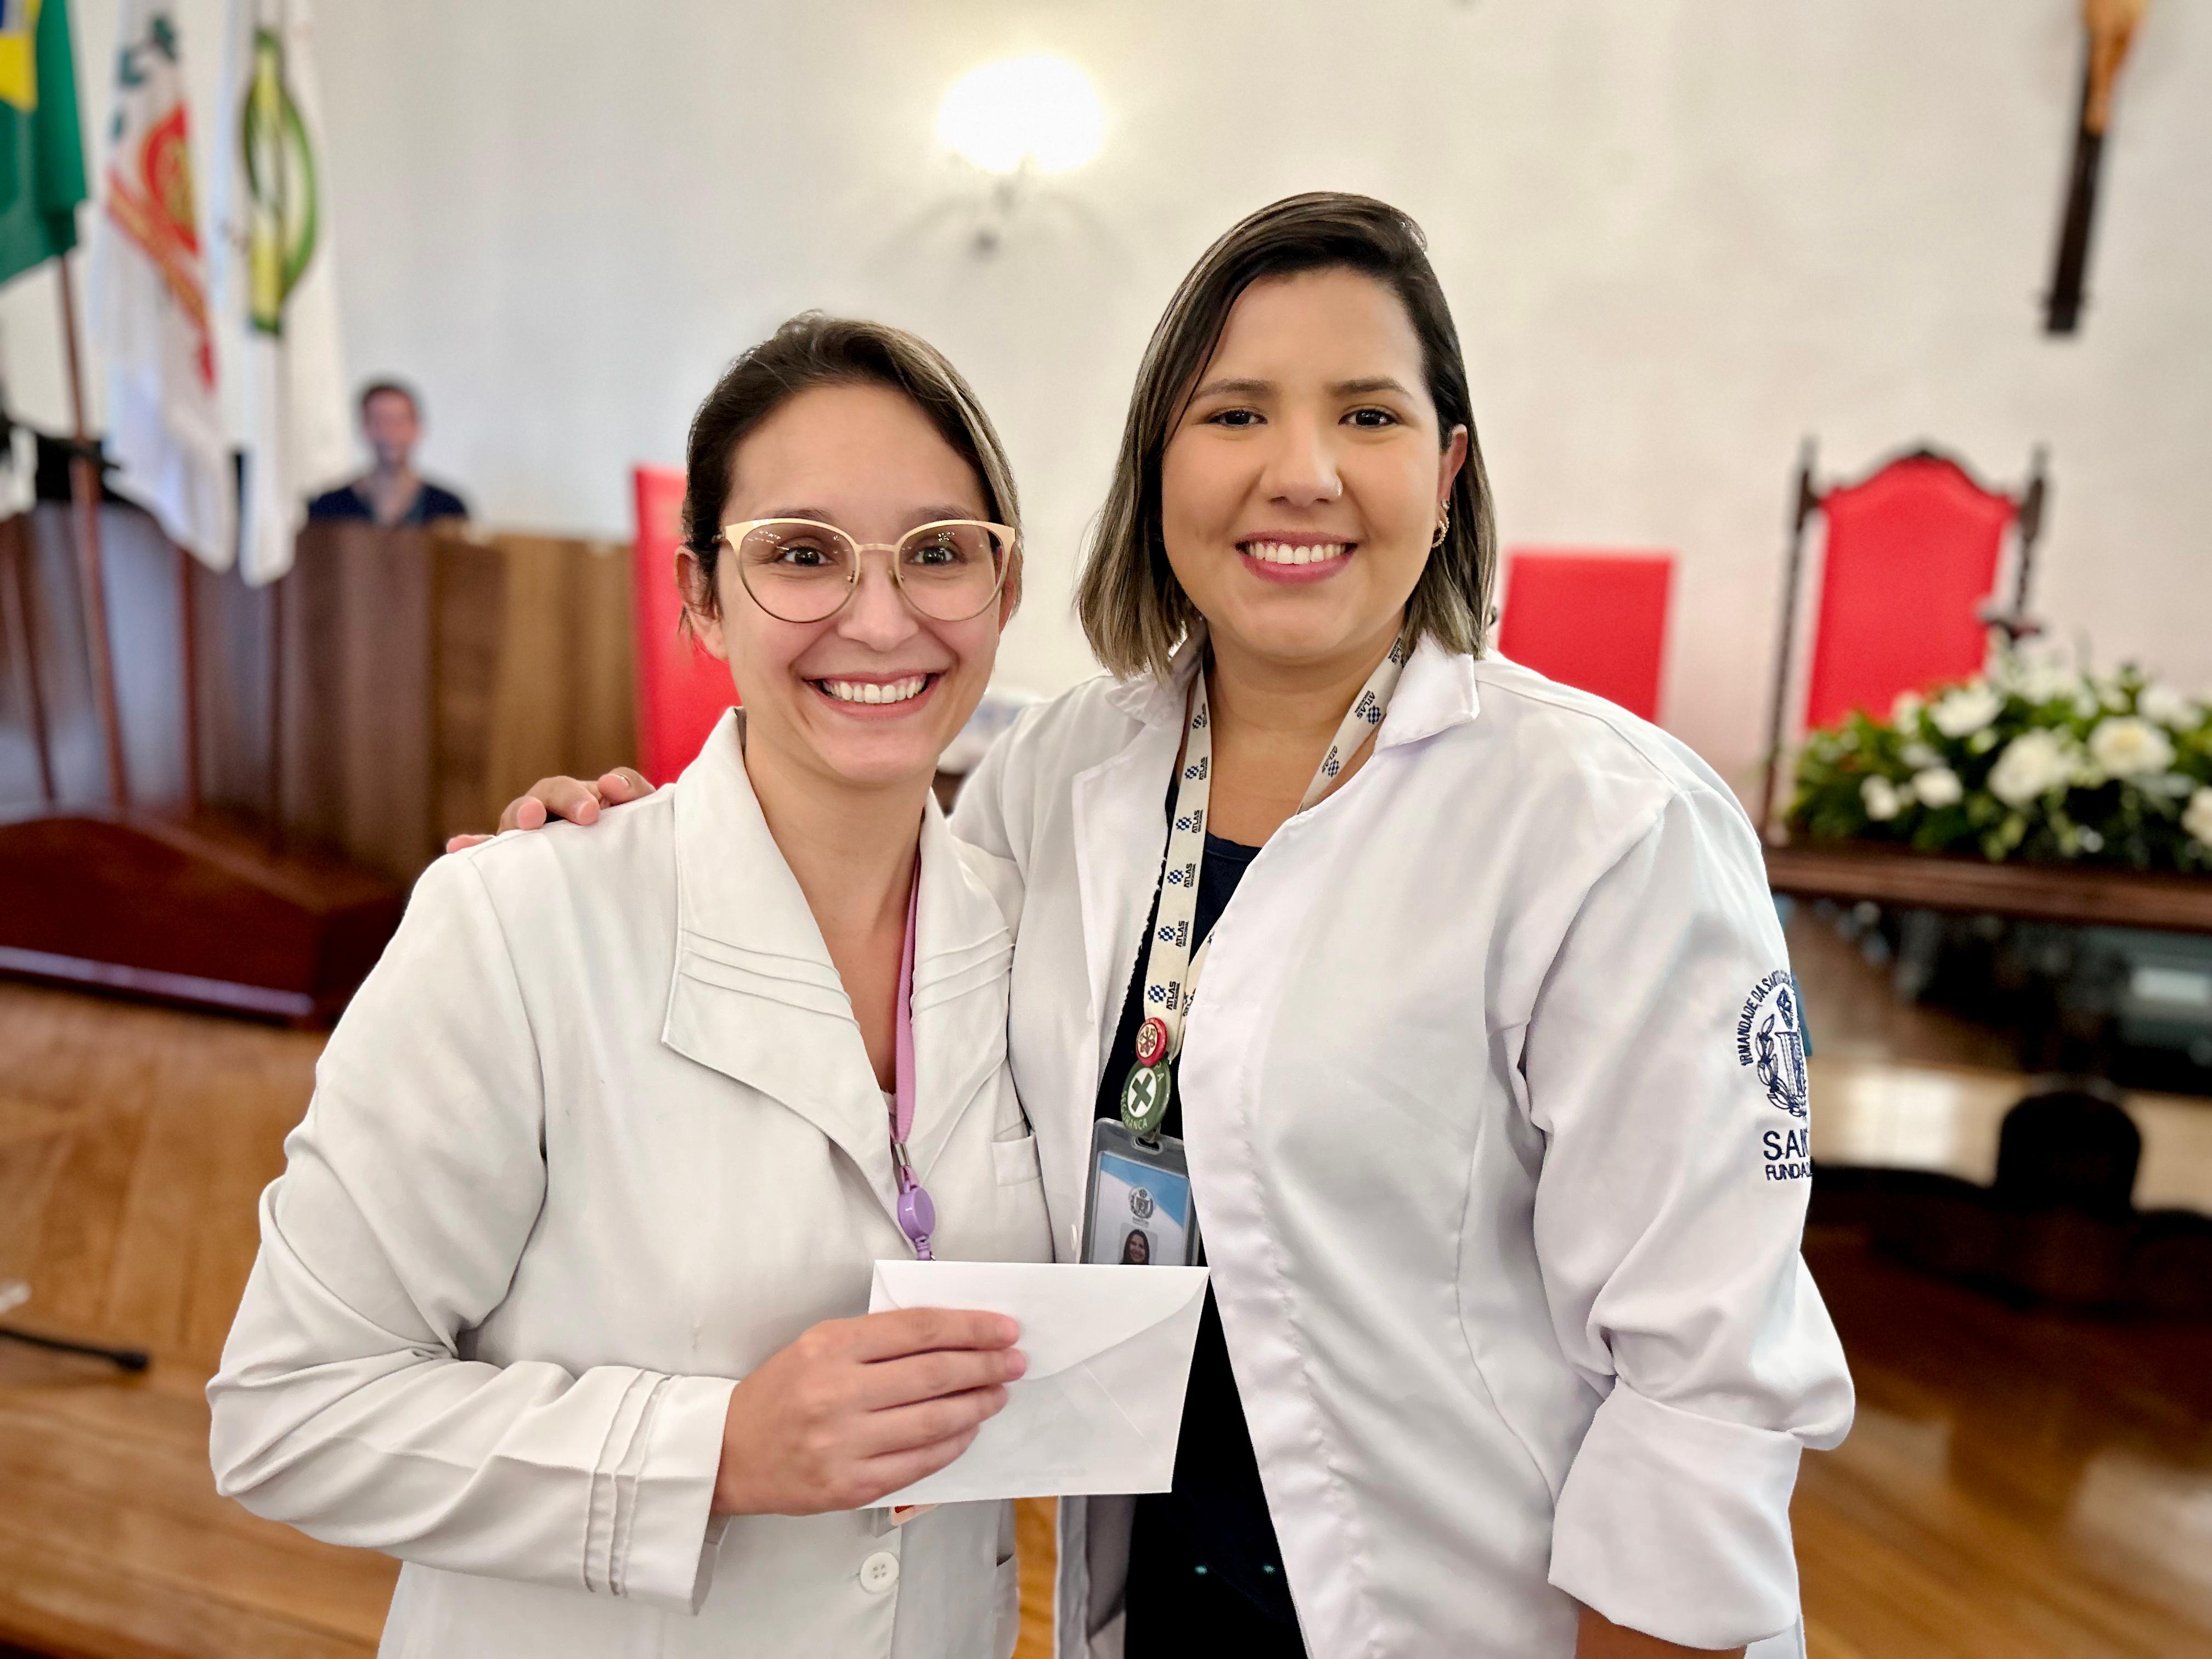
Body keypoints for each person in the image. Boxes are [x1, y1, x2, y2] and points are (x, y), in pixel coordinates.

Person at [465, 195, 1854, 1659]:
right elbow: (857, 964)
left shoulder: (1607, 829)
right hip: (1150, 1608)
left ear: (1447, 474)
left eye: (1369, 416)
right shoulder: (1064, 772)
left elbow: (1708, 1385)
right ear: (1159, 467)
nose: (1301, 473)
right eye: (1236, 414)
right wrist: (632, 856)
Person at [210, 316, 1057, 1658]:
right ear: (701, 597)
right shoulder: (520, 920)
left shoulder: (1041, 942)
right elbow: (290, 1413)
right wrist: (712, 1453)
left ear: (1005, 590)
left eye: (940, 551)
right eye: (801, 553)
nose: (880, 616)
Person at [307, 379, 471, 526]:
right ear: (365, 427)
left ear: (416, 428)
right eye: (379, 421)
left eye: (399, 421)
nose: (390, 432)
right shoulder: (328, 508)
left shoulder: (449, 509)